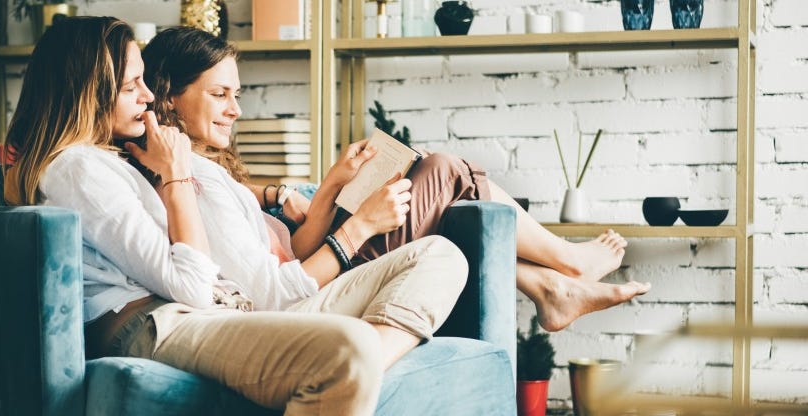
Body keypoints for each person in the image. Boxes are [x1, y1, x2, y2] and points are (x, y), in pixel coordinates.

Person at [2, 16, 468, 416]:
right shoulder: (78, 168)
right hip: (158, 322)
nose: (145, 97)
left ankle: (361, 375)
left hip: (213, 310)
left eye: (145, 82)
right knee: (351, 346)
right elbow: (191, 285)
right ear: (87, 90)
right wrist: (178, 175)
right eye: (131, 86)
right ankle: (356, 372)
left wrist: (275, 193)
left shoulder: (109, 159)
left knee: (442, 255)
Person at [141, 26, 652, 332]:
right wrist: (359, 225)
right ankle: (567, 265)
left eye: (236, 94)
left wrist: (330, 188)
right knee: (445, 172)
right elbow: (276, 291)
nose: (236, 109)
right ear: (169, 96)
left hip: (318, 267)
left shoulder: (203, 170)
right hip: (320, 293)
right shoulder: (190, 182)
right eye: (220, 95)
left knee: (430, 173)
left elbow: (292, 251)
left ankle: (549, 287)